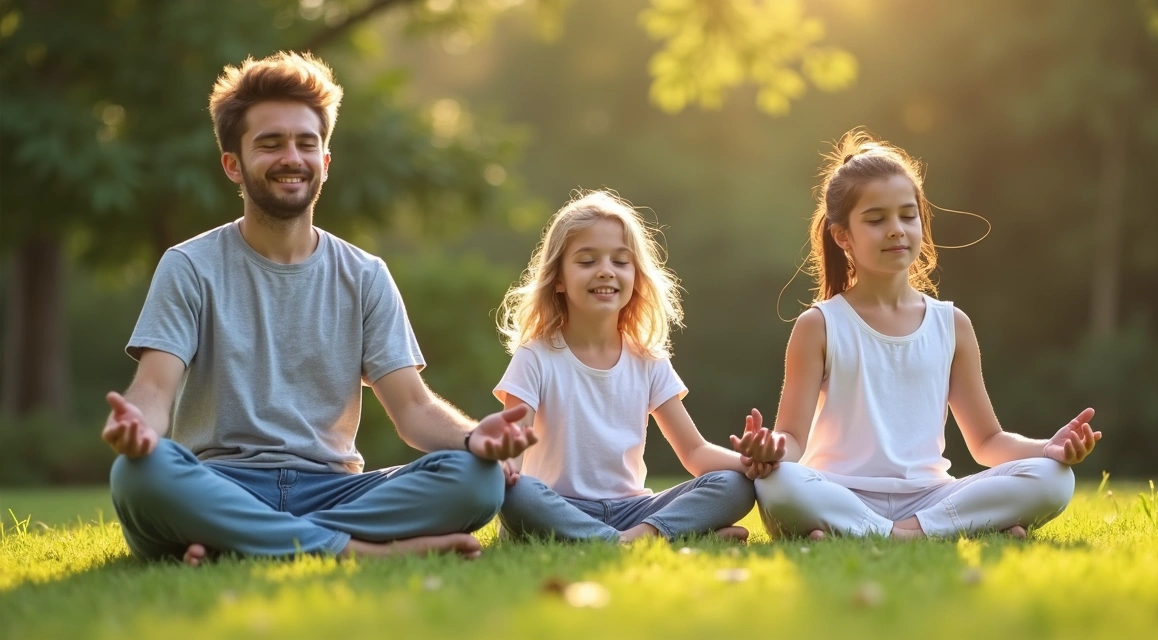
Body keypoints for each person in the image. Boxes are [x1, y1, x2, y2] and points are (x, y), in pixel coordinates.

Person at [103, 51, 536, 565]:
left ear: (325, 163)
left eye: (306, 144)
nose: (292, 157)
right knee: (138, 473)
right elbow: (154, 388)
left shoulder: (365, 275)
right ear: (232, 166)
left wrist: (472, 437)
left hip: (333, 488)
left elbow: (414, 409)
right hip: (222, 482)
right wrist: (140, 429)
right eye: (270, 144)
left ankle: (240, 542)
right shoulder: (190, 266)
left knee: (474, 479)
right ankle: (356, 550)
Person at [735, 129, 1101, 540]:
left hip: (932, 496)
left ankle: (880, 533)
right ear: (842, 237)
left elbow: (988, 440)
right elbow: (793, 439)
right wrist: (772, 449)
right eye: (876, 220)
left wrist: (1048, 449)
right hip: (838, 492)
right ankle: (940, 532)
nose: (896, 229)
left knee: (1055, 479)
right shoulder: (819, 325)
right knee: (777, 483)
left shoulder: (952, 324)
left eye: (908, 216)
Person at [491, 191, 763, 543]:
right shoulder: (535, 357)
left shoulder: (647, 360)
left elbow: (694, 452)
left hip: (633, 509)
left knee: (734, 486)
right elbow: (512, 450)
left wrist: (751, 463)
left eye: (621, 262)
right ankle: (648, 539)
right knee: (516, 494)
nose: (606, 271)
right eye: (587, 261)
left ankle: (633, 537)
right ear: (558, 279)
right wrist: (502, 470)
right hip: (557, 505)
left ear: (636, 276)